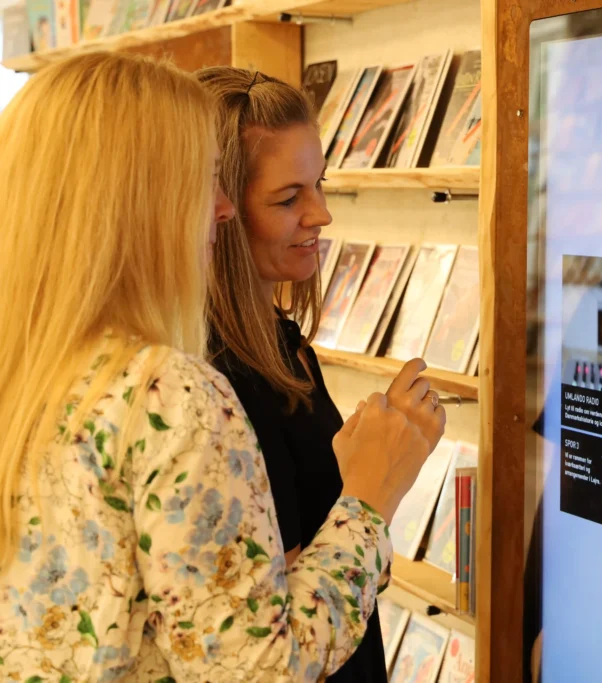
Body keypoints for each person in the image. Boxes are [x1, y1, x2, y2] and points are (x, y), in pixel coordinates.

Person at [0, 53, 443, 681]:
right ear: (134, 203)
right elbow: (260, 663)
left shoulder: (41, 365)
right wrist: (369, 498)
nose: (221, 208)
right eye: (202, 180)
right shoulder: (170, 392)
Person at [195, 67, 438, 683]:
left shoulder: (282, 340)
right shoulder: (204, 379)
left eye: (320, 185)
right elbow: (250, 616)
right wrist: (372, 494)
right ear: (217, 210)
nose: (322, 214)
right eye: (287, 198)